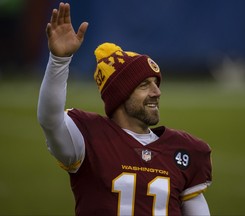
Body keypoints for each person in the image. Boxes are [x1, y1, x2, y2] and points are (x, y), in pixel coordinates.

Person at [37, 2, 212, 216]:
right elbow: (50, 120)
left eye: (156, 83)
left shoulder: (185, 150)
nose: (157, 92)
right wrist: (59, 61)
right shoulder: (88, 139)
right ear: (120, 95)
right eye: (144, 85)